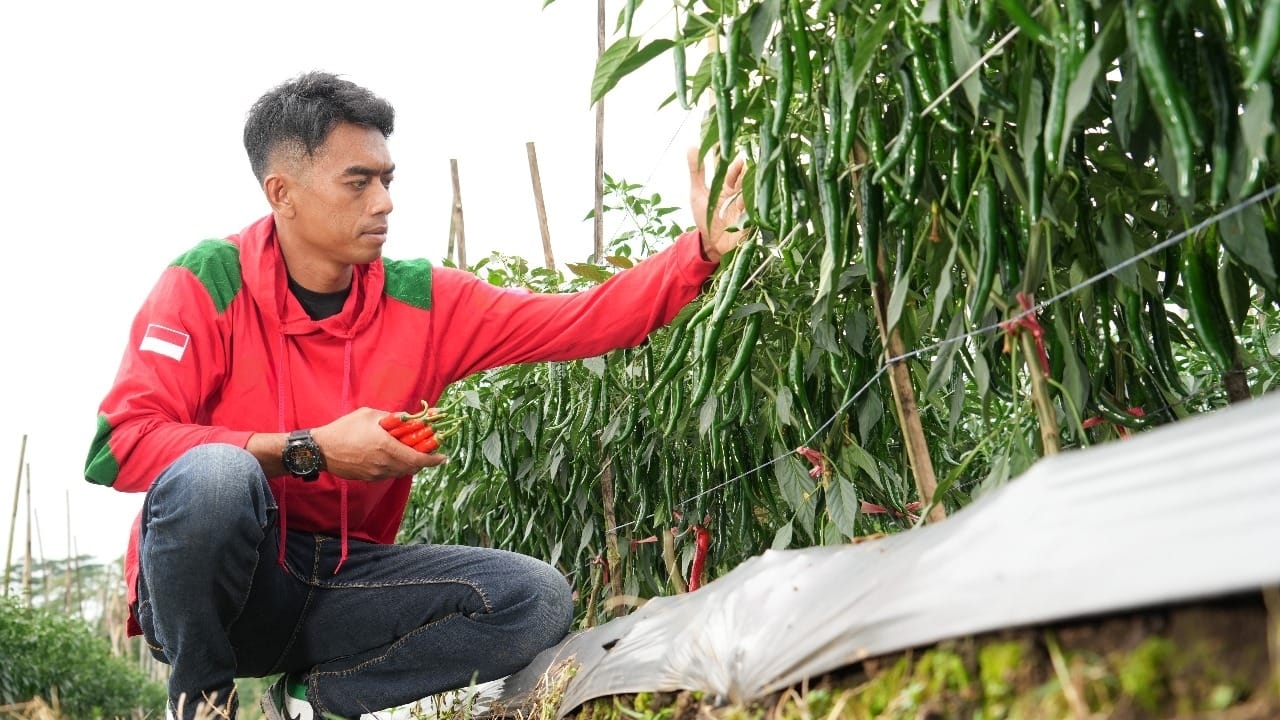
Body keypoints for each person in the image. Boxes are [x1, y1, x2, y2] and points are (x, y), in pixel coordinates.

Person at [83, 70, 746, 720]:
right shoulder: (208, 281)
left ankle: (318, 699)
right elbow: (122, 445)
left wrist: (700, 251)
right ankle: (202, 702)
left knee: (533, 598)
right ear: (282, 192)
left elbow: (581, 321)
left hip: (339, 585)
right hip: (217, 591)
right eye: (359, 182)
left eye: (387, 179)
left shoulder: (422, 302)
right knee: (216, 477)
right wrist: (311, 450)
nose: (384, 202)